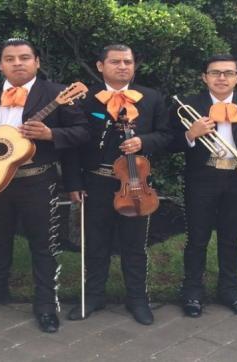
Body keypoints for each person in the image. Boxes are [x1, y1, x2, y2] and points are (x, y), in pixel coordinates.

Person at [0, 38, 88, 333]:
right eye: (10, 58)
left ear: (37, 62)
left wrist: (50, 134)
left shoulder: (58, 94)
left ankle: (45, 305)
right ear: (1, 64)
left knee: (43, 244)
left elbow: (82, 132)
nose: (17, 63)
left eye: (24, 57)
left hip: (37, 181)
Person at [61, 44, 171, 325]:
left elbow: (167, 136)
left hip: (136, 182)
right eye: (115, 62)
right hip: (95, 181)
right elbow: (73, 144)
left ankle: (138, 299)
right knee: (95, 243)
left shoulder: (152, 97)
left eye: (128, 62)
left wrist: (144, 142)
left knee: (134, 245)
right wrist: (73, 181)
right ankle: (93, 296)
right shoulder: (86, 100)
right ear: (101, 66)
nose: (123, 66)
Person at [169, 54, 237, 318]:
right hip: (201, 178)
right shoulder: (189, 105)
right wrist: (190, 134)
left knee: (231, 239)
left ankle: (231, 291)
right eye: (215, 73)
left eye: (228, 73)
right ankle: (192, 291)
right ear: (205, 77)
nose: (221, 78)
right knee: (197, 239)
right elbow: (169, 143)